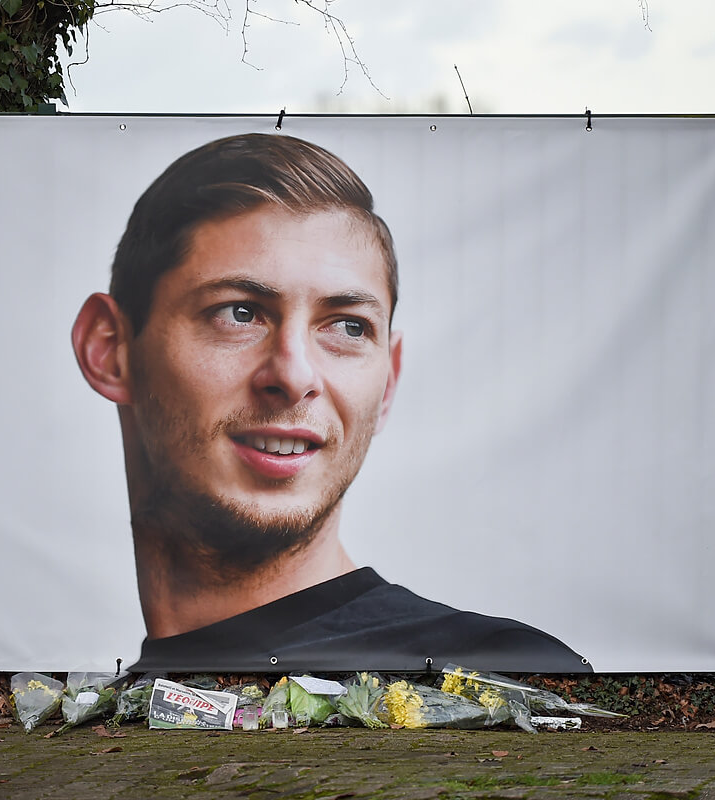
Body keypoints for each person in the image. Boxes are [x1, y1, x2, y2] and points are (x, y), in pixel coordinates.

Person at [72, 132, 591, 674]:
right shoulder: (96, 720)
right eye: (239, 313)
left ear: (387, 382)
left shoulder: (498, 679)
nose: (293, 376)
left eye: (348, 326)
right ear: (109, 350)